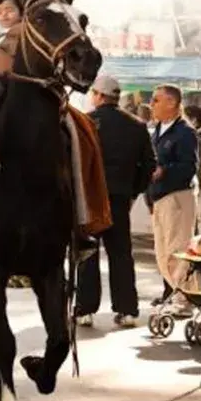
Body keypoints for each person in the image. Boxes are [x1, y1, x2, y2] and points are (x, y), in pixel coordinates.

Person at [76, 75, 155, 328]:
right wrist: (133, 192)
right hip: (120, 199)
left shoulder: (85, 122)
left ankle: (85, 309)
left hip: (90, 200)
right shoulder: (137, 125)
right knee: (121, 254)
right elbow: (149, 166)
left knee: (87, 253)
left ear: (98, 95)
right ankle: (127, 310)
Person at [146, 84, 199, 314]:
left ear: (172, 103)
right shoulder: (157, 130)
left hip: (177, 197)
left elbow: (189, 167)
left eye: (156, 100)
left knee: (177, 251)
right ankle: (178, 293)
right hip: (158, 198)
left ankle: (184, 299)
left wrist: (164, 171)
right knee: (162, 253)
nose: (152, 105)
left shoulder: (185, 133)